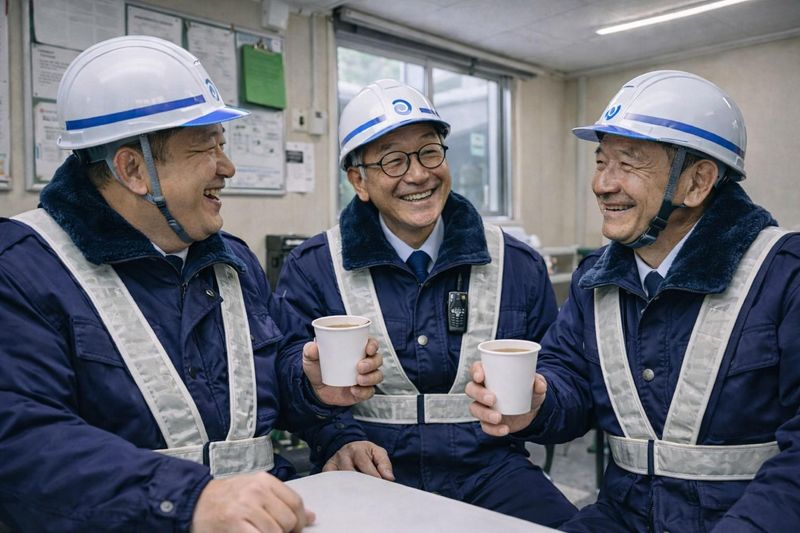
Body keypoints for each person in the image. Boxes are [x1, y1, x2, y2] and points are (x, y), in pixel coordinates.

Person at [0, 36, 384, 532]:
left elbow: (265, 387)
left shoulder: (233, 261)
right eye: (206, 147)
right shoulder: (22, 269)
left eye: (223, 144)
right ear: (134, 169)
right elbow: (22, 441)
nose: (228, 168)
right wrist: (189, 500)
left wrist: (312, 393)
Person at [466, 70, 800, 532]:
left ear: (697, 182)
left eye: (629, 164)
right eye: (601, 162)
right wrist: (539, 403)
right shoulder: (593, 281)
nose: (603, 184)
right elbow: (570, 379)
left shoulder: (785, 274)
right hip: (622, 516)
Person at [276, 79, 577, 527]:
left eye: (429, 152)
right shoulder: (313, 266)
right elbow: (283, 384)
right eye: (393, 160)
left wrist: (541, 405)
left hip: (492, 470)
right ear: (358, 180)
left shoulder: (517, 264)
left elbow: (563, 376)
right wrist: (335, 435)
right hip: (370, 469)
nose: (418, 175)